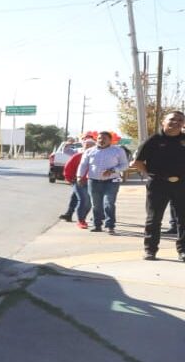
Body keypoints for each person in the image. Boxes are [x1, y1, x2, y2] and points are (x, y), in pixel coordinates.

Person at [131, 110, 185, 260]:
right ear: (163, 122)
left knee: (183, 219)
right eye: (172, 119)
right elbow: (138, 162)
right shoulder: (153, 140)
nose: (176, 122)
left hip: (182, 184)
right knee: (154, 218)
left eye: (180, 120)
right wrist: (148, 175)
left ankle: (183, 251)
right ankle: (150, 249)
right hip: (158, 184)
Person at [77, 131, 128, 234]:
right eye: (100, 138)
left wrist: (112, 170)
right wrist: (79, 176)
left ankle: (110, 226)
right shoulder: (90, 151)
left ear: (110, 140)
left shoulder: (118, 151)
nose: (101, 140)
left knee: (108, 203)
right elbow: (83, 164)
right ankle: (97, 225)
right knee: (96, 204)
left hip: (112, 181)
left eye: (104, 138)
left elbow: (124, 165)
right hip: (93, 181)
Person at [60, 137, 96, 229]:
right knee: (83, 200)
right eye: (86, 145)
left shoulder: (97, 156)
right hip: (80, 182)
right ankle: (81, 220)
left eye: (90, 146)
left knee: (87, 202)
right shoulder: (77, 155)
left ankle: (72, 215)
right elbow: (68, 168)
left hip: (93, 182)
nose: (87, 147)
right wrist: (71, 180)